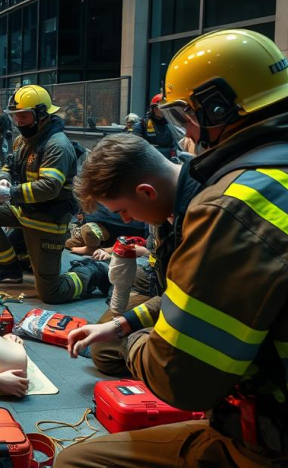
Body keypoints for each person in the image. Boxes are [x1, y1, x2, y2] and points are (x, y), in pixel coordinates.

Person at [56, 29, 288, 466]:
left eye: (185, 116)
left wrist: (137, 340)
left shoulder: (237, 205)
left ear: (218, 108)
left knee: (77, 462)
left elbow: (181, 380)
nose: (187, 131)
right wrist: (125, 323)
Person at [67, 134, 201, 375]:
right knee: (104, 349)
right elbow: (176, 292)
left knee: (143, 354)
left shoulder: (204, 215)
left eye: (124, 211)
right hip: (168, 295)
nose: (126, 220)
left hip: (210, 329)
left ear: (147, 192)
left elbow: (189, 300)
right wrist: (122, 325)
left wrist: (129, 331)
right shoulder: (169, 202)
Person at [0, 86, 108, 303]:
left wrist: (9, 193)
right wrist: (4, 179)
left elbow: (49, 187)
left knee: (50, 294)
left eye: (23, 116)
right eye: (15, 116)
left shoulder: (57, 145)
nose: (18, 121)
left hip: (48, 219)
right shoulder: (24, 139)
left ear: (42, 114)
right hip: (24, 209)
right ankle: (11, 268)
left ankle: (94, 272)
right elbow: (9, 163)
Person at [136, 93, 178, 158]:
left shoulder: (169, 125)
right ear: (154, 109)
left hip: (168, 162)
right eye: (163, 107)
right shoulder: (143, 124)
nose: (166, 110)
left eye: (166, 107)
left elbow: (175, 146)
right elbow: (136, 147)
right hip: (150, 161)